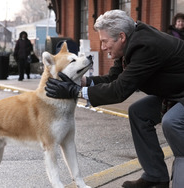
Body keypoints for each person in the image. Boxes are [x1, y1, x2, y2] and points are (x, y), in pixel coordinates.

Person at [45, 10, 184, 188]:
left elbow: (119, 90)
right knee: (138, 112)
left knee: (172, 122)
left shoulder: (145, 46)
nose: (102, 47)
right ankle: (155, 176)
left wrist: (75, 91)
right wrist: (82, 81)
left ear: (121, 37)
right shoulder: (130, 43)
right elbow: (113, 79)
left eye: (104, 41)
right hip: (175, 92)